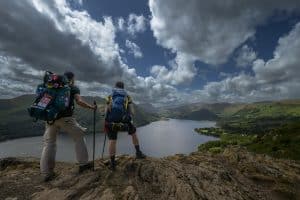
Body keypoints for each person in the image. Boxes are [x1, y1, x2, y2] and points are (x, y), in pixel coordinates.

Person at [40, 71, 96, 182]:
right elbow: (79, 101)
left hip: (50, 118)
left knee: (49, 144)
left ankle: (46, 173)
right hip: (66, 118)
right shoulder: (73, 87)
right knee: (79, 136)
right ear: (72, 79)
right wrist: (91, 107)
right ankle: (83, 164)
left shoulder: (52, 86)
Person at [104, 81, 146, 170]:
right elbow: (132, 112)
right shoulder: (127, 96)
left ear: (115, 87)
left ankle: (112, 164)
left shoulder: (110, 96)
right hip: (125, 121)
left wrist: (107, 119)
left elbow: (106, 111)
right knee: (134, 134)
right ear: (123, 88)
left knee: (112, 140)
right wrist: (129, 116)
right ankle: (138, 153)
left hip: (111, 122)